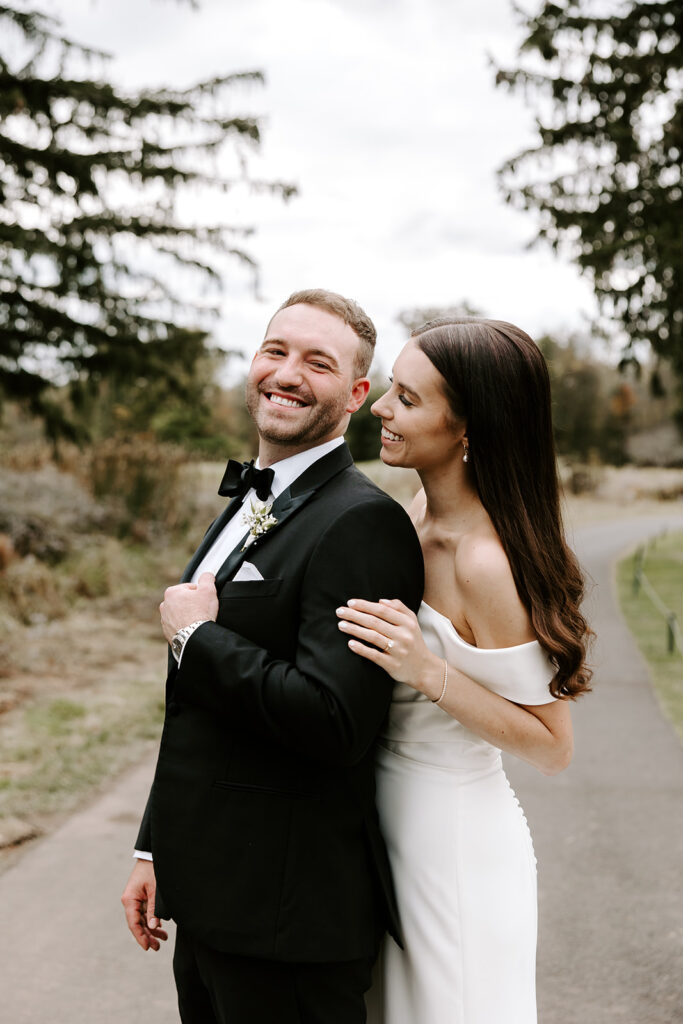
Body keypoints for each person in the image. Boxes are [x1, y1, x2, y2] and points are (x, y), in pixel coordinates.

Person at [121, 289, 424, 1024]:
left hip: (285, 922)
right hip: (210, 899)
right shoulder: (250, 498)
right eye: (275, 351)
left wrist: (200, 639)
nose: (286, 373)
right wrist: (154, 848)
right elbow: (197, 712)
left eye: (317, 363)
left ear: (355, 394)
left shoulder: (362, 523)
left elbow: (334, 719)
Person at [336, 318, 592, 1024]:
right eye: (390, 387)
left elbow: (552, 744)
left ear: (468, 428)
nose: (382, 408)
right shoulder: (416, 512)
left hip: (451, 846)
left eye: (408, 399)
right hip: (386, 832)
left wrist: (426, 671)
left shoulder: (484, 562)